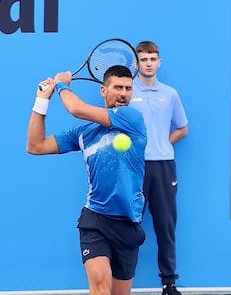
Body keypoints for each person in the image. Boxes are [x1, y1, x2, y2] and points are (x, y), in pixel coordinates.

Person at [27, 65, 147, 295]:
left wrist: (61, 85)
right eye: (117, 87)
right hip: (95, 221)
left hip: (128, 222)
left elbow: (76, 108)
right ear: (103, 91)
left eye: (128, 88)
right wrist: (41, 100)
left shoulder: (133, 119)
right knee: (101, 288)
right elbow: (36, 145)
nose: (123, 93)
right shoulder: (84, 133)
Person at [129, 41, 189, 295]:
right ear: (136, 63)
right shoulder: (127, 91)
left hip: (164, 166)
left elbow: (182, 128)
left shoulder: (170, 93)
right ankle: (123, 281)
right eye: (144, 59)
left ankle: (169, 282)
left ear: (159, 62)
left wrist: (164, 142)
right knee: (129, 224)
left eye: (153, 59)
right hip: (134, 167)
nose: (149, 63)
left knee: (165, 226)